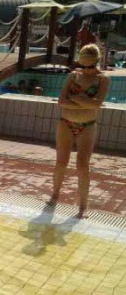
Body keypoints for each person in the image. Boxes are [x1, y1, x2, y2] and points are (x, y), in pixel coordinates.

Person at [48, 44, 109, 218]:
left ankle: (83, 206)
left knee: (82, 166)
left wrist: (73, 98)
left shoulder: (102, 79)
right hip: (66, 123)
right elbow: (61, 101)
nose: (86, 69)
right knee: (61, 162)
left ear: (96, 62)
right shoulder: (73, 75)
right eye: (83, 65)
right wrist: (83, 101)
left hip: (87, 126)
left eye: (90, 66)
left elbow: (97, 104)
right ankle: (55, 195)